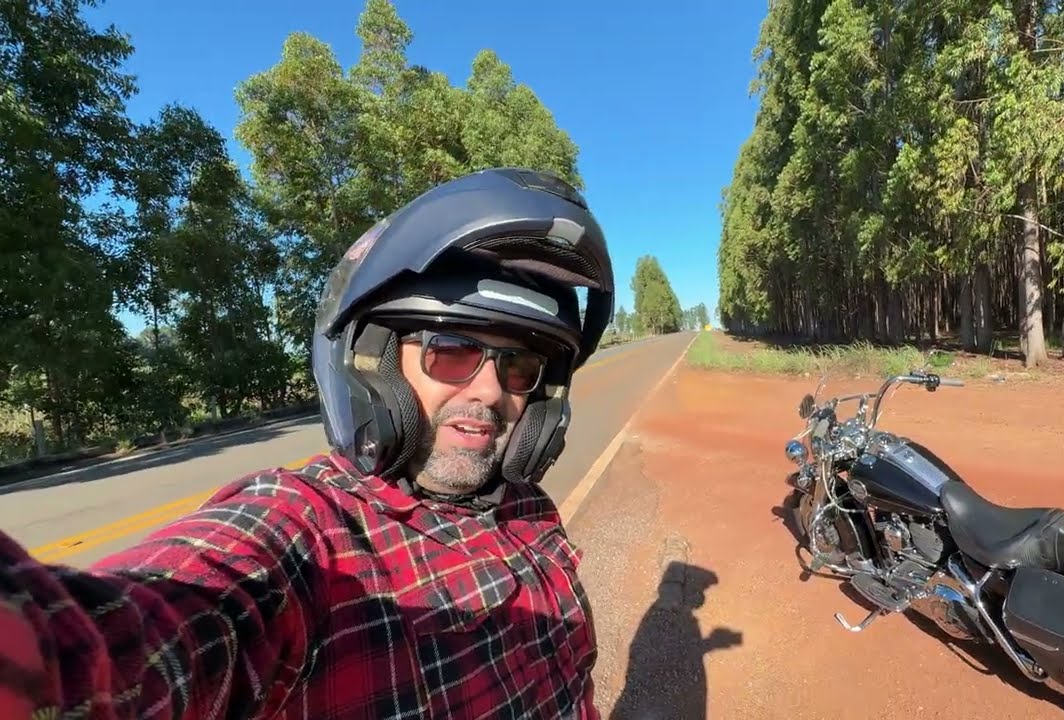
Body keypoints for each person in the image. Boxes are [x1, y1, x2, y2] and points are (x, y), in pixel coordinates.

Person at [0, 167, 617, 720]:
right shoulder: (311, 537)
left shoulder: (527, 509)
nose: (490, 392)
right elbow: (131, 645)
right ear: (375, 365)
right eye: (450, 350)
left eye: (518, 368)